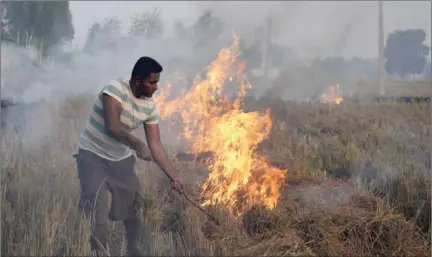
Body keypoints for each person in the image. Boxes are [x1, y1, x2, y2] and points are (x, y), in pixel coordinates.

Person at [73, 56, 184, 256]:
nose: (156, 87)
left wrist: (174, 177)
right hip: (92, 155)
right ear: (138, 80)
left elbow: (156, 145)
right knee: (97, 214)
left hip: (121, 161)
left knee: (132, 210)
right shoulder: (115, 89)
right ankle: (99, 252)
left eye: (157, 82)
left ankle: (134, 250)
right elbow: (113, 126)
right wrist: (137, 144)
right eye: (152, 82)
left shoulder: (150, 107)